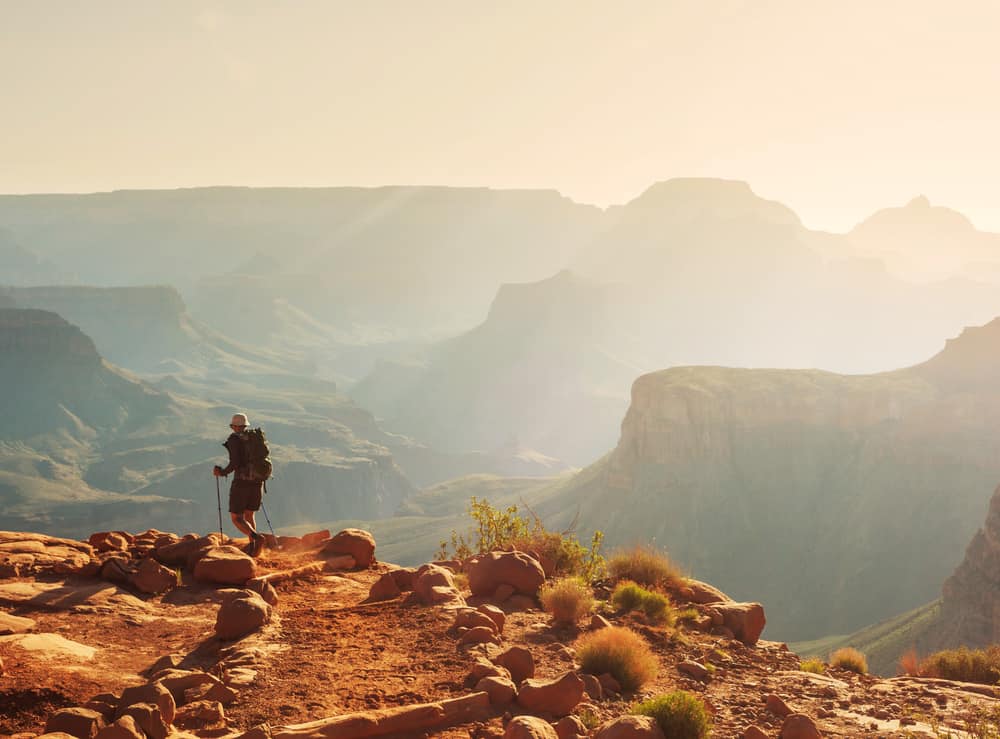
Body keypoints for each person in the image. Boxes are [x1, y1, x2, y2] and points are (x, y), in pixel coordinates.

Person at [213, 412, 264, 556]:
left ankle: (255, 538)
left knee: (236, 517)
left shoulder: (234, 439)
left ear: (234, 426)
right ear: (245, 425)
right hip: (257, 481)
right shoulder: (254, 438)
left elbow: (235, 463)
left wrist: (222, 472)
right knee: (249, 515)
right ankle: (253, 546)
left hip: (242, 483)